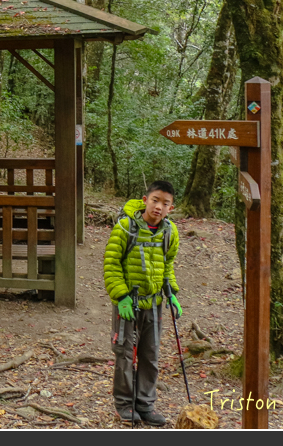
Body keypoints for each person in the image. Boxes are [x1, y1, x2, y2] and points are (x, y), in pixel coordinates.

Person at [103, 180, 182, 426]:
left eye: (165, 203)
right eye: (155, 200)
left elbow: (167, 265)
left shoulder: (170, 232)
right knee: (125, 353)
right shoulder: (126, 227)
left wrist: (172, 292)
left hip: (154, 302)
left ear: (171, 207)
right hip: (127, 301)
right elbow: (111, 263)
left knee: (151, 354)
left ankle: (145, 405)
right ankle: (124, 405)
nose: (159, 207)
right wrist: (120, 296)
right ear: (145, 199)